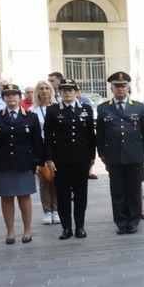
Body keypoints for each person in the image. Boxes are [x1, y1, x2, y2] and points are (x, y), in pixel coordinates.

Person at [0, 84, 45, 244]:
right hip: (2, 162)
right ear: (3, 98)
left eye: (14, 94)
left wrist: (39, 161)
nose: (11, 97)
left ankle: (27, 229)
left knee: (24, 196)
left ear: (19, 97)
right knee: (6, 197)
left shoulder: (30, 117)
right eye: (7, 95)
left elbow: (37, 141)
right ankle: (10, 231)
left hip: (24, 162)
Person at [96, 71, 144, 235]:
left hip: (134, 155)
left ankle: (133, 221)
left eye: (123, 86)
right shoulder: (103, 108)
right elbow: (100, 134)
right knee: (118, 191)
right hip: (113, 156)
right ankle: (121, 222)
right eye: (117, 86)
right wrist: (102, 153)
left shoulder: (139, 107)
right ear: (111, 89)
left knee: (134, 190)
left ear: (128, 88)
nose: (120, 89)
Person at [44, 78, 96, 239]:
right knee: (63, 194)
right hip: (61, 159)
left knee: (81, 194)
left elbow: (90, 135)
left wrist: (92, 157)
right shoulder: (53, 110)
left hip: (81, 158)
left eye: (71, 90)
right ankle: (66, 227)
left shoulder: (86, 109)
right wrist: (49, 159)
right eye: (64, 90)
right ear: (59, 92)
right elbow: (48, 136)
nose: (67, 93)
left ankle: (80, 226)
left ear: (76, 92)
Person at [30, 80, 58, 225]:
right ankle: (47, 211)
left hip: (56, 147)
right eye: (41, 88)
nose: (45, 91)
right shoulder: (32, 110)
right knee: (44, 180)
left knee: (57, 179)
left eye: (47, 88)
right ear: (37, 91)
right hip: (40, 147)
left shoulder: (57, 108)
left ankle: (57, 210)